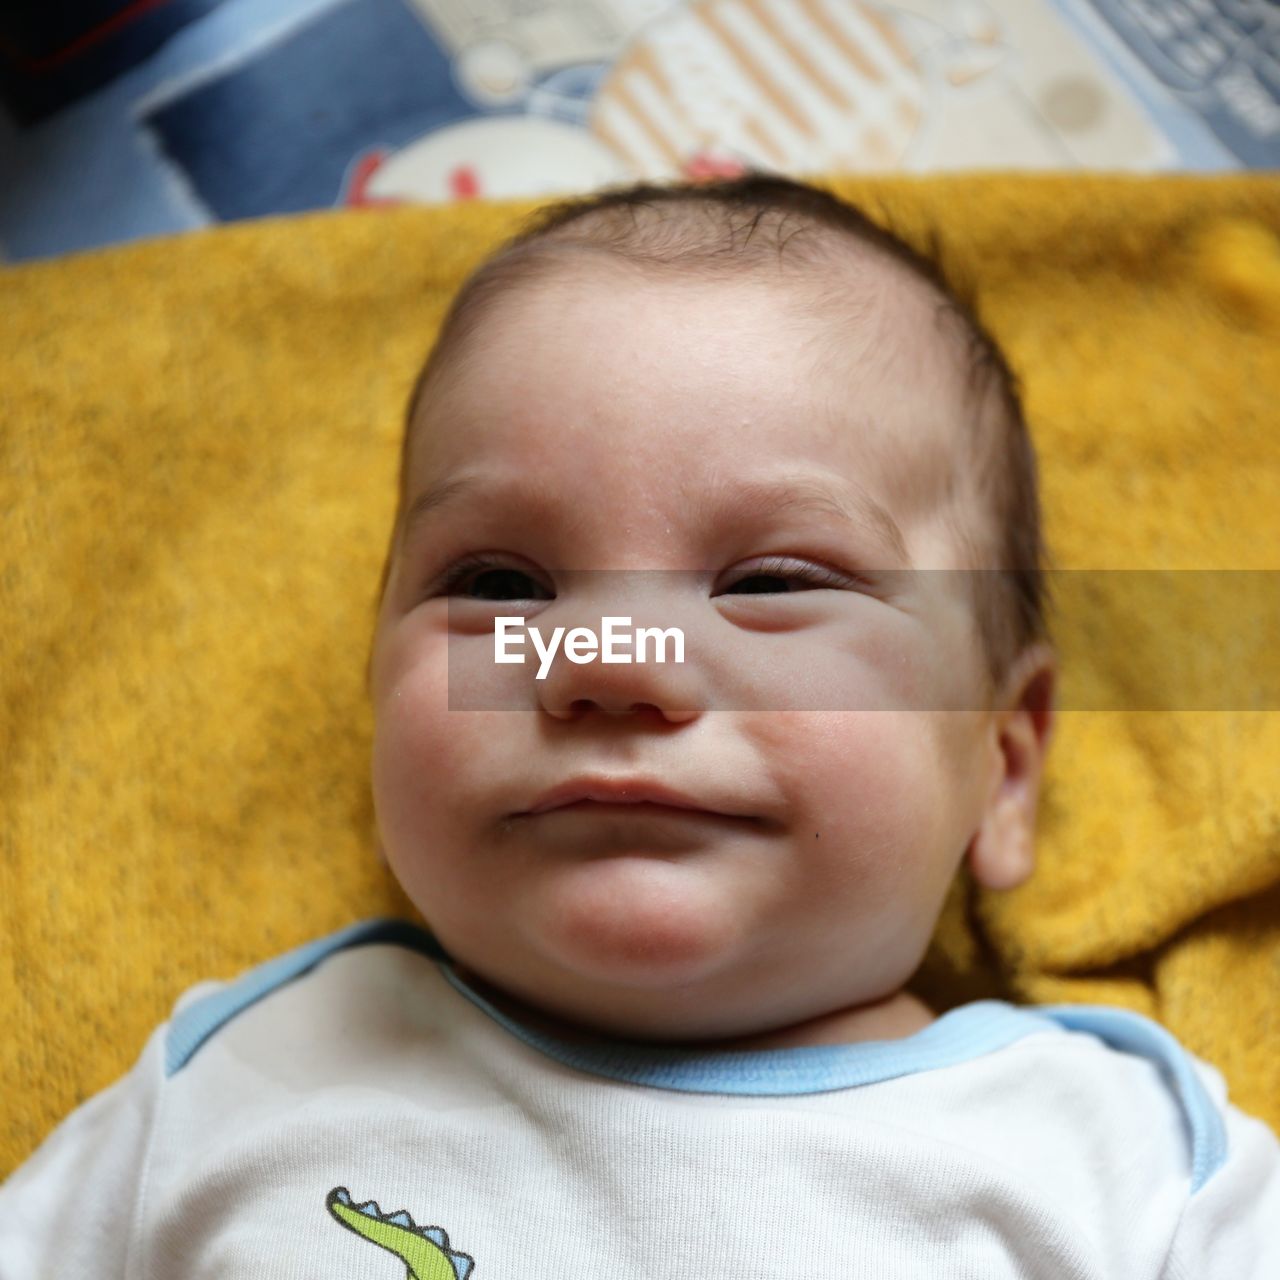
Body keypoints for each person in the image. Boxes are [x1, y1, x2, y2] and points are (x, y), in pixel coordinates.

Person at [1, 174, 1276, 1276]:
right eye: (500, 586)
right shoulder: (234, 1075)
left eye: (770, 584)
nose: (608, 666)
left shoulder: (1126, 1158)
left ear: (1002, 767)